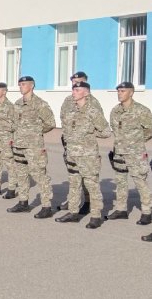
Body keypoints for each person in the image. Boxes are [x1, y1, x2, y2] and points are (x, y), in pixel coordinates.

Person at [54, 81, 111, 228]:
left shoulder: (93, 111)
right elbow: (67, 130)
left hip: (88, 156)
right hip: (72, 154)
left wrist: (89, 134)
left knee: (92, 185)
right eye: (73, 90)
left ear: (86, 93)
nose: (73, 92)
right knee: (74, 184)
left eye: (77, 90)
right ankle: (73, 212)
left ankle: (96, 216)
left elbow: (106, 132)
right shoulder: (71, 111)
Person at [6, 76, 56, 218]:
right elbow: (13, 122)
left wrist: (35, 132)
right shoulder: (17, 103)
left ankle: (46, 206)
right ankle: (23, 202)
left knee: (39, 175)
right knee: (21, 175)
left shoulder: (40, 104)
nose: (20, 87)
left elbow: (50, 123)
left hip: (33, 147)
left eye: (23, 84)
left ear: (32, 86)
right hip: (18, 145)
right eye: (19, 84)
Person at [106, 82, 152, 234]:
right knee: (120, 181)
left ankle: (147, 211)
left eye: (123, 91)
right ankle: (121, 209)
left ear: (131, 93)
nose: (119, 93)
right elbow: (115, 130)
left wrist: (137, 141)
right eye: (118, 91)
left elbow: (150, 129)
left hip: (135, 152)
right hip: (119, 151)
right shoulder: (115, 111)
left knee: (140, 181)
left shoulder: (141, 110)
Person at [58, 71, 104, 214]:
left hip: (85, 148)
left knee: (88, 177)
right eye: (73, 82)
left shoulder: (93, 102)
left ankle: (88, 202)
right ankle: (73, 201)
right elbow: (63, 118)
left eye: (79, 82)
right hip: (71, 145)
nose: (75, 84)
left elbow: (100, 126)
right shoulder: (68, 100)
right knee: (74, 176)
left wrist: (85, 136)